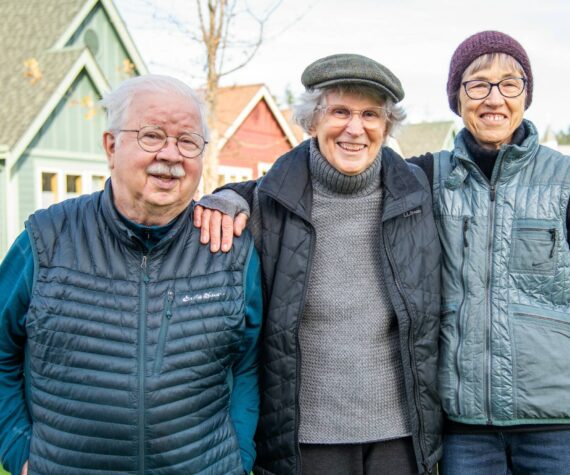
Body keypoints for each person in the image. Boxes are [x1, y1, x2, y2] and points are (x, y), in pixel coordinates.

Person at [0, 74, 262, 475]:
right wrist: (18, 448)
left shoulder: (229, 251)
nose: (171, 155)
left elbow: (248, 365)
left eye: (188, 141)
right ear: (111, 146)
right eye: (152, 136)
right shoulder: (47, 240)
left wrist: (238, 459)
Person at [196, 54, 442, 475]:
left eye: (370, 115)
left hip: (400, 436)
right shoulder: (267, 204)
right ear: (312, 121)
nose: (354, 128)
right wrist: (227, 195)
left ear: (386, 126)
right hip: (306, 439)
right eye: (340, 111)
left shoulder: (419, 194)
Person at [407, 30, 570, 475]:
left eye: (509, 83)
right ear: (457, 100)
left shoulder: (565, 179)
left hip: (557, 427)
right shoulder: (429, 176)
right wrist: (235, 198)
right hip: (465, 429)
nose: (494, 98)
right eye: (477, 84)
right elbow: (345, 173)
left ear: (526, 96)